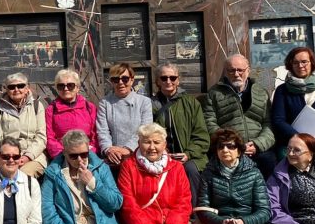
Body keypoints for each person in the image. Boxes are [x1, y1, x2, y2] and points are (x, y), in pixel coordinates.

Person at [202, 54, 277, 175]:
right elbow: (209, 123)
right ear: (226, 71)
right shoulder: (215, 93)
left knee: (269, 161)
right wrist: (231, 144)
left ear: (248, 70)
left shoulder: (260, 92)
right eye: (231, 70)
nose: (236, 74)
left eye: (240, 70)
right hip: (229, 147)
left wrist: (258, 144)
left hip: (258, 148)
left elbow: (269, 123)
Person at [271, 47, 315, 166]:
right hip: (290, 146)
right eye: (295, 62)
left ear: (312, 63)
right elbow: (278, 120)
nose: (300, 65)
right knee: (290, 172)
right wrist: (300, 141)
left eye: (304, 61)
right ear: (290, 65)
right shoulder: (282, 91)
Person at [151, 63, 210, 200]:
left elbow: (202, 136)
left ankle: (196, 214)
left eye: (172, 77)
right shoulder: (150, 104)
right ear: (157, 81)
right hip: (160, 155)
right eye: (164, 78)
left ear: (178, 80)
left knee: (190, 169)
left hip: (189, 155)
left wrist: (188, 154)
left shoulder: (191, 103)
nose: (168, 81)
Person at [0, 72, 48, 178]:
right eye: (12, 87)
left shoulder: (37, 106)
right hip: (7, 155)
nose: (16, 89)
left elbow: (41, 137)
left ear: (27, 88)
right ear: (6, 89)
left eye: (20, 86)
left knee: (22, 176)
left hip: (33, 155)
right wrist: (7, 156)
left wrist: (27, 157)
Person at [97, 63, 153, 167]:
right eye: (115, 80)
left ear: (132, 80)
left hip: (137, 155)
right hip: (113, 158)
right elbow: (102, 130)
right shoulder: (104, 103)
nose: (120, 83)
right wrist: (108, 149)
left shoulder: (144, 102)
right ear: (111, 82)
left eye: (125, 79)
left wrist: (127, 149)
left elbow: (145, 130)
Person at [45, 68, 99, 159]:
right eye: (61, 86)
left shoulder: (89, 107)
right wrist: (63, 154)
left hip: (87, 153)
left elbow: (96, 135)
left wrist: (89, 151)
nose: (66, 89)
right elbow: (49, 137)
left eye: (70, 85)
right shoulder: (51, 110)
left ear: (77, 88)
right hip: (62, 155)